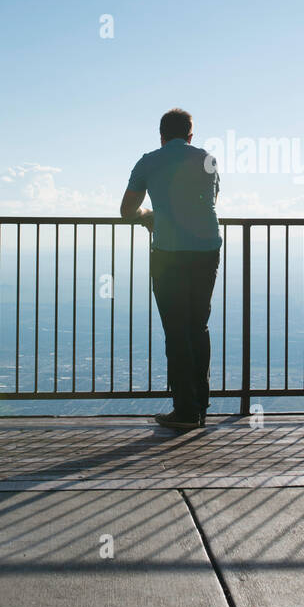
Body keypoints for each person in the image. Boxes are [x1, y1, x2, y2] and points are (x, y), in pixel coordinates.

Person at [120, 109, 221, 431]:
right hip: (207, 250)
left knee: (176, 332)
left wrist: (150, 211)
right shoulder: (207, 159)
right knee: (198, 326)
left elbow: (127, 211)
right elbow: (211, 200)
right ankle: (201, 405)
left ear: (160, 135)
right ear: (191, 135)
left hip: (169, 252)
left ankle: (185, 410)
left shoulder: (149, 161)